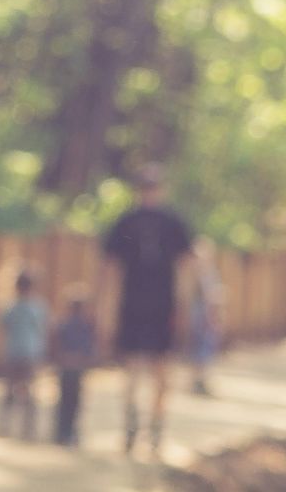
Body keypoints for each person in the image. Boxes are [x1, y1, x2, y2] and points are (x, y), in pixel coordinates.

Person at [99, 166, 194, 457]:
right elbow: (112, 271)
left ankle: (155, 428)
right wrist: (107, 312)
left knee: (161, 372)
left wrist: (183, 308)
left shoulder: (173, 222)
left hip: (162, 307)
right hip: (133, 306)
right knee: (131, 370)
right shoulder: (125, 223)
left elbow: (185, 269)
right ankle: (131, 426)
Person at [0, 272, 50, 438]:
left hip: (14, 352)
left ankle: (6, 426)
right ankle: (28, 429)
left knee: (11, 391)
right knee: (28, 392)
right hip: (30, 353)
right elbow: (44, 329)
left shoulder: (10, 307)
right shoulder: (38, 307)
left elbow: (2, 326)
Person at [50, 290, 98, 447]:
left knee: (65, 401)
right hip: (76, 367)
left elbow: (56, 344)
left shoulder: (64, 324)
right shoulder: (86, 326)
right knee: (74, 402)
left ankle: (62, 433)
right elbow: (90, 347)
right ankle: (69, 434)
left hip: (67, 366)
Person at [186, 236, 224, 396]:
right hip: (201, 314)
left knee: (202, 348)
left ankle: (198, 380)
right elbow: (208, 296)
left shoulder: (205, 271)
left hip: (201, 314)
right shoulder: (200, 272)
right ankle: (197, 381)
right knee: (201, 348)